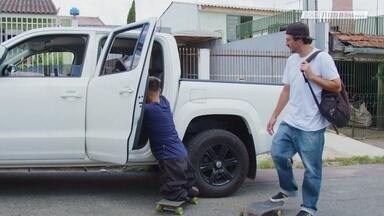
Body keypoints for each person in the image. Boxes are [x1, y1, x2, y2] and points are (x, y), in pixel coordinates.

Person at [266, 22, 342, 216]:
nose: (286, 43)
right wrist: (274, 115)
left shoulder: (322, 58)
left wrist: (312, 75)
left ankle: (308, 207)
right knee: (277, 153)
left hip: (312, 126)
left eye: (288, 40)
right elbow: (286, 90)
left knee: (312, 169)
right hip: (291, 121)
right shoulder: (292, 61)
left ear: (299, 39)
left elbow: (336, 86)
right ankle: (288, 188)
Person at [142, 76, 199, 201]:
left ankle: (183, 195)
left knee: (171, 191)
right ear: (160, 90)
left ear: (145, 92)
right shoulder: (165, 102)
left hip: (171, 158)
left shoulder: (147, 110)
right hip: (183, 154)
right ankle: (189, 189)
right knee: (184, 180)